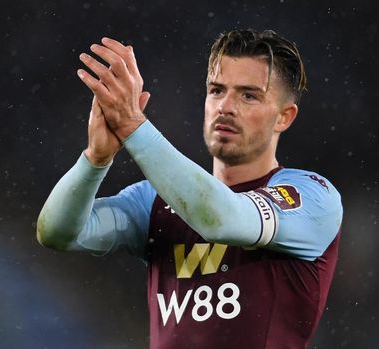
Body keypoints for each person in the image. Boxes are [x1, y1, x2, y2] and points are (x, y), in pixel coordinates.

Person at [36, 29, 343, 348]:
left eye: (248, 95)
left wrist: (133, 126)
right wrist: (95, 160)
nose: (226, 106)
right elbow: (58, 233)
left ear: (284, 117)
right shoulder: (153, 201)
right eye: (216, 90)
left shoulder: (312, 197)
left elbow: (221, 220)